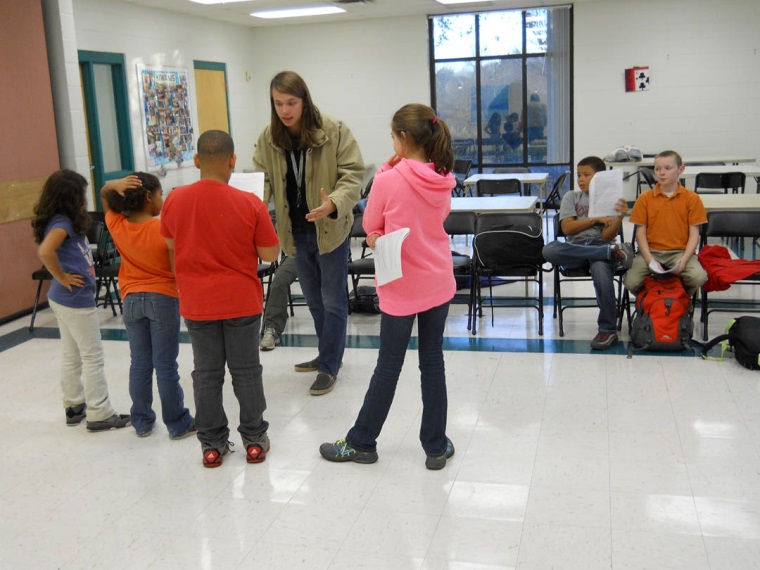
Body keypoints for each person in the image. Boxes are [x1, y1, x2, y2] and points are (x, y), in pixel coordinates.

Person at [319, 103, 457, 470]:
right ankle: (436, 445)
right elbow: (435, 219)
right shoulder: (443, 176)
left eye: (393, 136)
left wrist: (377, 233)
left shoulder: (387, 179)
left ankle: (361, 441)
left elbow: (370, 224)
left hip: (400, 281)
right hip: (437, 279)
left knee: (388, 366)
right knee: (433, 362)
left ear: (403, 138)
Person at [161, 130, 280, 468]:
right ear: (232, 161)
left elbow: (171, 246)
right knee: (246, 372)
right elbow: (270, 254)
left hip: (197, 303)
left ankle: (212, 445)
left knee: (206, 374)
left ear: (197, 161)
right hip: (241, 301)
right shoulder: (249, 203)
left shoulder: (174, 200)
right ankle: (255, 440)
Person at [252, 70, 364, 396]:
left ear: (304, 100)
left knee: (332, 301)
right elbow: (262, 183)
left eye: (291, 102)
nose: (285, 110)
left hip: (329, 228)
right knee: (314, 301)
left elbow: (353, 175)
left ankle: (329, 366)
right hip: (295, 233)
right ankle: (328, 355)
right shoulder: (269, 138)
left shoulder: (333, 130)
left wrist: (334, 203)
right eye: (278, 103)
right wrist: (250, 212)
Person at [31, 169, 130, 432]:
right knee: (92, 356)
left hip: (64, 299)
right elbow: (45, 251)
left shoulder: (62, 220)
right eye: (81, 196)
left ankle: (74, 405)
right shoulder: (62, 224)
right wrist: (62, 276)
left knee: (72, 355)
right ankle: (100, 412)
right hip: (73, 299)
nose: (85, 201)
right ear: (67, 198)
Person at [101, 173, 195, 439]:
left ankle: (141, 421)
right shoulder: (163, 228)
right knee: (165, 364)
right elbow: (177, 269)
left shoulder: (118, 224)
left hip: (130, 300)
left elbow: (105, 197)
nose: (162, 199)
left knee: (139, 363)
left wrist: (114, 186)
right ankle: (177, 423)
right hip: (162, 299)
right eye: (160, 194)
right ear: (148, 197)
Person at [542, 156, 634, 350]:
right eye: (578, 175)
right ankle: (607, 253)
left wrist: (619, 217)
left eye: (586, 175)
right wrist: (595, 219)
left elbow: (608, 235)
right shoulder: (572, 197)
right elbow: (567, 229)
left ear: (599, 177)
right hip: (575, 250)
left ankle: (608, 330)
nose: (581, 179)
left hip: (601, 245)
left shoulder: (611, 201)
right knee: (549, 249)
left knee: (601, 270)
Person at [624, 149, 708, 296]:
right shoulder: (645, 198)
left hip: (680, 252)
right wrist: (650, 260)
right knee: (631, 282)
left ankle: (681, 301)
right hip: (651, 252)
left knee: (698, 277)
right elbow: (640, 233)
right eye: (657, 169)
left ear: (681, 169)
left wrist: (684, 260)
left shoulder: (692, 198)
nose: (661, 173)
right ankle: (650, 301)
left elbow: (694, 234)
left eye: (668, 168)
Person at [259, 255, 297, 351]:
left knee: (331, 284)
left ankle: (333, 342)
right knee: (279, 282)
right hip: (298, 252)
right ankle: (272, 329)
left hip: (329, 251)